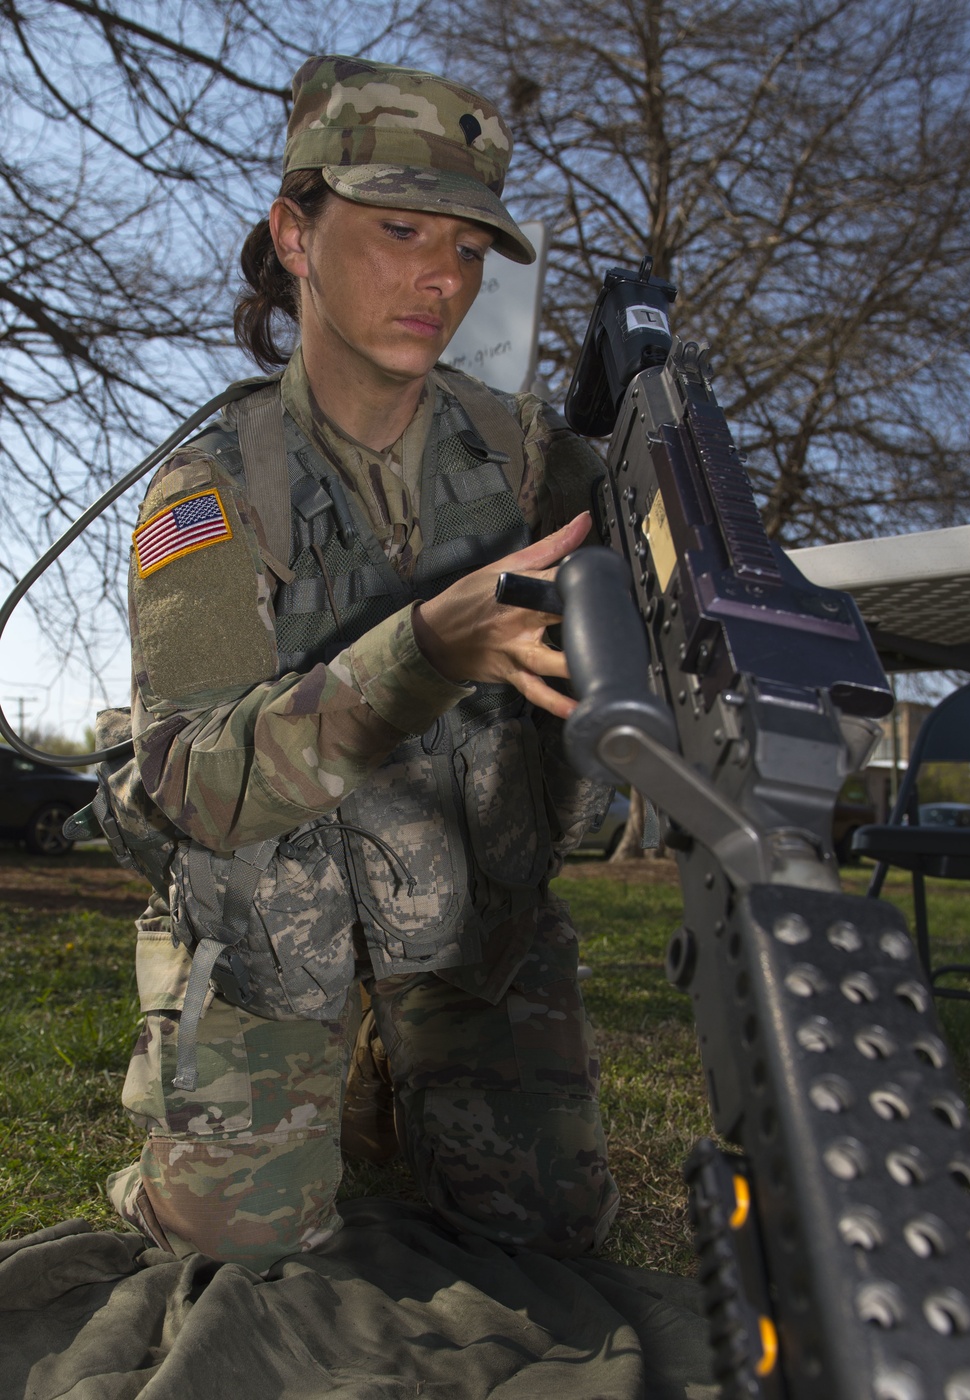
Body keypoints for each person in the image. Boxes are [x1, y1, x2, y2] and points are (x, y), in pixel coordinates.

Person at [106, 54, 619, 1273]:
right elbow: (193, 779)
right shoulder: (212, 489)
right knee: (233, 1253)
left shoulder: (536, 466)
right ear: (295, 232)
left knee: (545, 1238)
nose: (440, 278)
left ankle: (402, 1046)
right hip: (278, 929)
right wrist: (428, 651)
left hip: (469, 916)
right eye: (397, 230)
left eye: (470, 249)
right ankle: (296, 1060)